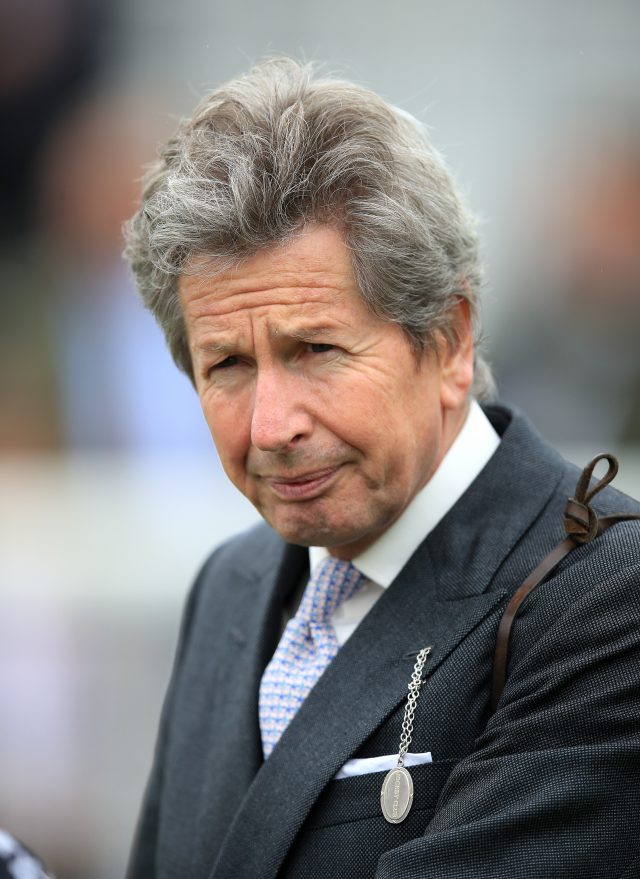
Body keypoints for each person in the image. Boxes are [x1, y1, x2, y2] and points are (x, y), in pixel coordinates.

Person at [123, 59, 640, 878]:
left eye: (316, 349)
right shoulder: (232, 583)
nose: (271, 425)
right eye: (227, 365)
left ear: (450, 339)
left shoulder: (610, 597)